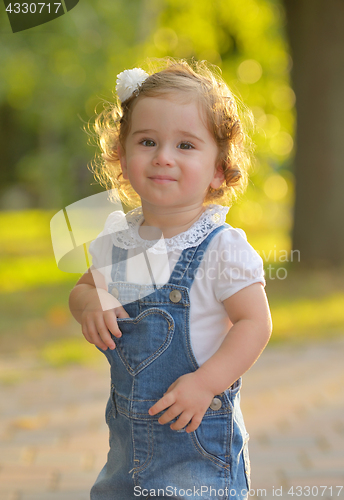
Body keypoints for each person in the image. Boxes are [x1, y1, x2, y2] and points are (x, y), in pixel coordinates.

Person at [69, 59, 272, 500]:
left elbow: (255, 323)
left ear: (219, 169)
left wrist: (206, 383)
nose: (163, 156)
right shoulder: (120, 241)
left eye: (185, 145)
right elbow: (83, 288)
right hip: (125, 458)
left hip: (195, 457)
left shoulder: (220, 247)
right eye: (147, 141)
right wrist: (92, 303)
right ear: (122, 158)